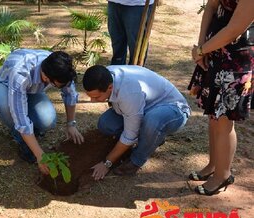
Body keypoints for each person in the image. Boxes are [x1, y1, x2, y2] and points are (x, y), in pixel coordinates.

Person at [188, 0, 253, 195]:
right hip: (214, 50)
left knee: (224, 118)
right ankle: (213, 165)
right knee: (213, 115)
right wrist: (201, 46)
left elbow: (234, 29)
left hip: (237, 59)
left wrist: (202, 50)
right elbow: (211, 6)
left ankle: (223, 175)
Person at [82, 65, 190, 180]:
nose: (92, 101)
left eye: (97, 97)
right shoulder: (104, 76)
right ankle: (151, 138)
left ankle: (136, 161)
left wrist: (107, 163)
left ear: (110, 87)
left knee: (152, 121)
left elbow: (130, 135)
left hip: (174, 110)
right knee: (106, 124)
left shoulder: (129, 93)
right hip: (143, 106)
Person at [0, 49, 84, 175]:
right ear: (46, 77)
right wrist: (40, 155)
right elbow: (21, 118)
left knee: (47, 120)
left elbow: (70, 94)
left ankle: (33, 134)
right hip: (5, 85)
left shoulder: (61, 68)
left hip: (32, 90)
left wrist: (71, 124)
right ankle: (23, 141)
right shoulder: (21, 74)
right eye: (56, 85)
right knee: (7, 108)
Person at [108, 0, 154, 65]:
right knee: (117, 44)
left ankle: (135, 72)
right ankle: (117, 70)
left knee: (136, 47)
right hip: (114, 3)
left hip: (138, 5)